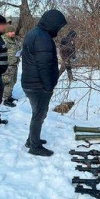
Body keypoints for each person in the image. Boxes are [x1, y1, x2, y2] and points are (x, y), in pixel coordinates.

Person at [21, 9, 67, 156]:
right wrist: (48, 86)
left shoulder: (36, 33)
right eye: (58, 26)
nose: (59, 30)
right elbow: (44, 66)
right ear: (52, 24)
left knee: (38, 113)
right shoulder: (42, 38)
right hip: (38, 85)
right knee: (39, 115)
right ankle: (34, 147)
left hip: (32, 82)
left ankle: (31, 140)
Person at [1, 24, 21, 107]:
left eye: (14, 31)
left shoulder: (14, 40)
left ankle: (9, 97)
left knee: (13, 81)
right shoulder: (3, 40)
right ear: (7, 32)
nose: (13, 33)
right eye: (11, 31)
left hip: (14, 65)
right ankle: (4, 99)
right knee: (7, 82)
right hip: (7, 66)